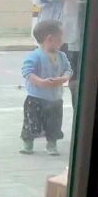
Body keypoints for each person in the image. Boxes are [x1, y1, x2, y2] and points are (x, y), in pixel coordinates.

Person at [30, 0, 88, 109]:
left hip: (79, 41)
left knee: (78, 87)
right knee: (45, 86)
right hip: (51, 39)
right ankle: (42, 127)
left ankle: (83, 129)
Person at [20, 20, 72, 156]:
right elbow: (27, 72)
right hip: (35, 98)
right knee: (32, 121)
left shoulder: (62, 56)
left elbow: (68, 70)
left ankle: (52, 143)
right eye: (61, 37)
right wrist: (40, 82)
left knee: (54, 123)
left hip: (55, 99)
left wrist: (63, 78)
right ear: (50, 38)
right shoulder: (35, 56)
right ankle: (28, 142)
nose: (63, 41)